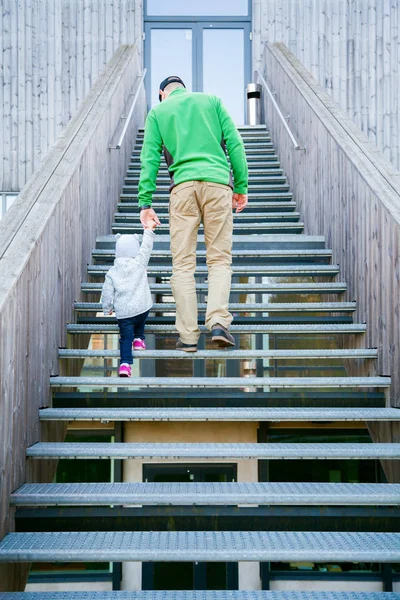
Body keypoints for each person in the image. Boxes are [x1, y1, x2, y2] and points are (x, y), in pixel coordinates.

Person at [138, 75, 248, 352]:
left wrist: (145, 203)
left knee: (183, 265)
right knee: (219, 260)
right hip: (218, 184)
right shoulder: (212, 101)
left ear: (162, 93)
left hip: (183, 189)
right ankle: (219, 323)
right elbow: (235, 143)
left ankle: (188, 337)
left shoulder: (158, 112)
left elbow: (149, 157)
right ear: (183, 88)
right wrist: (241, 186)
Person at [101, 227, 155, 377]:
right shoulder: (140, 263)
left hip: (124, 313)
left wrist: (107, 309)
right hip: (142, 308)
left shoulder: (112, 272)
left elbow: (106, 292)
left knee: (125, 338)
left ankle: (125, 365)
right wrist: (149, 231)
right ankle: (139, 339)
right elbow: (146, 247)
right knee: (141, 315)